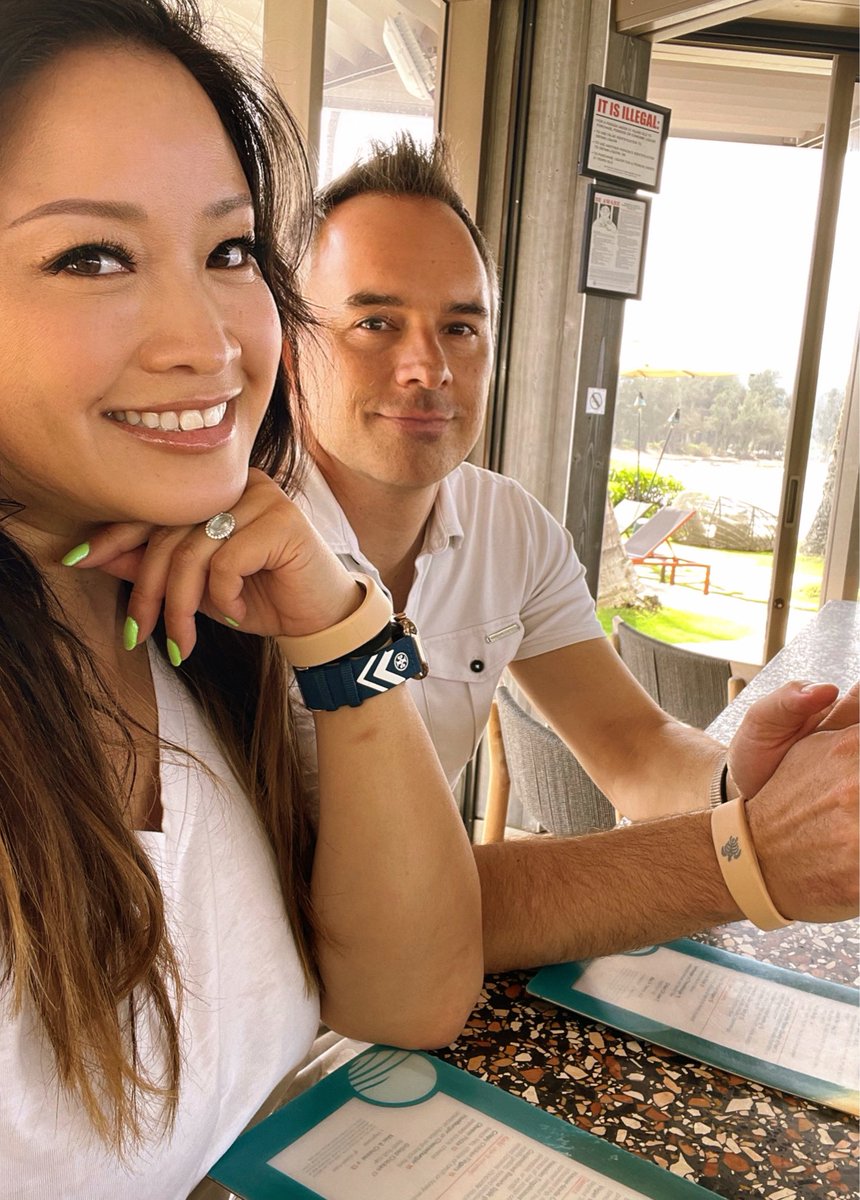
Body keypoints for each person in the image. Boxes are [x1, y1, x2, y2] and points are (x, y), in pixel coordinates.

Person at [0, 7, 482, 1197]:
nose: (208, 342)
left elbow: (407, 999)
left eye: (228, 252)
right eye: (91, 257)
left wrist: (338, 629)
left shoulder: (192, 610)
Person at [294, 133, 858, 972]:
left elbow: (632, 744)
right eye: (374, 323)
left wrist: (739, 781)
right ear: (287, 343)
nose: (428, 367)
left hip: (414, 992)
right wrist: (750, 857)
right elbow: (325, 906)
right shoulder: (230, 552)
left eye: (461, 327)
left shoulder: (510, 527)